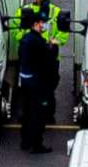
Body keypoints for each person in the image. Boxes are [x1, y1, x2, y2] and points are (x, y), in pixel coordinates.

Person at [14, 10, 59, 154]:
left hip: (26, 81)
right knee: (38, 114)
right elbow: (48, 59)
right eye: (42, 23)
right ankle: (37, 144)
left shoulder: (26, 39)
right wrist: (54, 46)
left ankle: (25, 141)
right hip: (37, 83)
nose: (44, 25)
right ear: (35, 24)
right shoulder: (38, 41)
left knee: (27, 112)